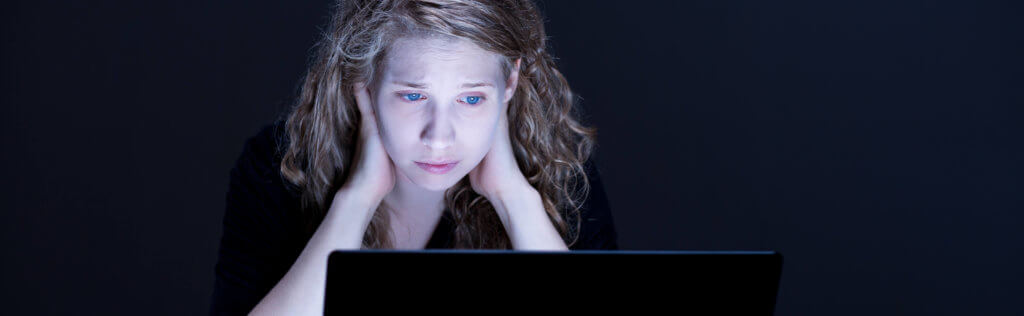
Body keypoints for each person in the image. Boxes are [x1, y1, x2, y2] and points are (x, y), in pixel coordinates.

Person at [209, 0, 619, 315]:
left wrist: (515, 198)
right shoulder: (279, 168)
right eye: (413, 95)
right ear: (365, 81)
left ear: (509, 82)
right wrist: (355, 201)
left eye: (471, 98)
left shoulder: (562, 172)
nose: (438, 138)